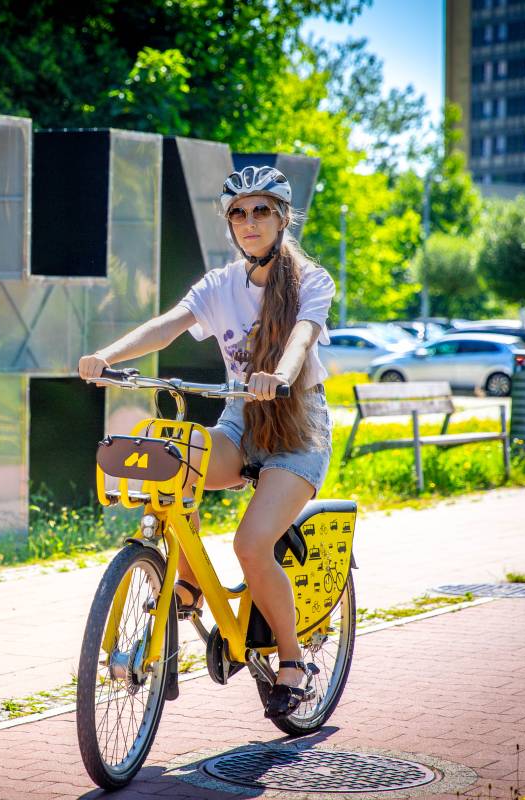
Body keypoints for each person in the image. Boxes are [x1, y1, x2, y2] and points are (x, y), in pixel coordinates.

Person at [78, 165, 335, 719]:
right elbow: (168, 324)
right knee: (170, 465)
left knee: (250, 544)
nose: (249, 222)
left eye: (261, 210)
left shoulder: (312, 280)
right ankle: (189, 588)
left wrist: (282, 374)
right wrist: (108, 357)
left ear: (282, 218)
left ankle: (293, 661)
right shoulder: (220, 285)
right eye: (238, 213)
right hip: (242, 421)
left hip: (298, 428)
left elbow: (301, 338)